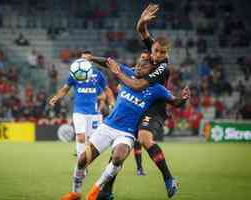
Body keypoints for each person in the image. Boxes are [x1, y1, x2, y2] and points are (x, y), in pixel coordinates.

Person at [60, 57, 190, 200]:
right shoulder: (129, 73)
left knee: (117, 158)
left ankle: (95, 190)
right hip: (108, 126)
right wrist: (92, 59)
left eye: (143, 66)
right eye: (138, 65)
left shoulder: (157, 89)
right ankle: (75, 192)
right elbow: (109, 63)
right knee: (82, 160)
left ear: (152, 71)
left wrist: (183, 98)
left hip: (127, 133)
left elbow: (175, 102)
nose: (138, 67)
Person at [98, 4, 186, 199]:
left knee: (145, 138)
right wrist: (142, 21)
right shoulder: (153, 51)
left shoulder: (162, 68)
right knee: (119, 147)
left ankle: (168, 179)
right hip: (138, 104)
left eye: (161, 53)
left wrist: (118, 73)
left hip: (154, 106)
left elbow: (138, 86)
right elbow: (141, 31)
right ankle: (107, 190)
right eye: (155, 51)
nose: (157, 55)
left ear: (167, 54)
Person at [49, 51, 114, 161]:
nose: (83, 60)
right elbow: (65, 89)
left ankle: (86, 158)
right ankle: (81, 163)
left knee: (92, 141)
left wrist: (112, 102)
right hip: (79, 111)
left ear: (91, 60)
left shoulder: (98, 75)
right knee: (81, 137)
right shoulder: (75, 74)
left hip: (94, 114)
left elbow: (106, 91)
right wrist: (56, 97)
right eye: (82, 58)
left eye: (86, 58)